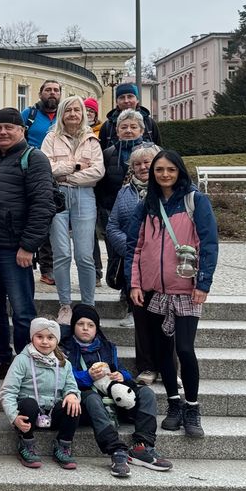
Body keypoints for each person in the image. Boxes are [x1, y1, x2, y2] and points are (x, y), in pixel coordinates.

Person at [127, 150, 219, 439]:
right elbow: (136, 245)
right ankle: (173, 403)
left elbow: (209, 243)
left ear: (179, 171)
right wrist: (135, 283)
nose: (164, 175)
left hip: (186, 288)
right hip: (155, 290)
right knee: (163, 350)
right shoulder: (148, 204)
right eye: (159, 170)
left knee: (184, 349)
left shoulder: (195, 200)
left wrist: (203, 283)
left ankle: (192, 405)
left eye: (170, 169)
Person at [0, 108, 57, 379]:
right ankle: (1, 357)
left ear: (21, 131)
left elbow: (43, 205)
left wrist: (29, 246)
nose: (3, 132)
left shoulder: (34, 158)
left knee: (21, 309)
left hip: (14, 250)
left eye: (9, 128)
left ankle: (26, 360)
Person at [61, 305, 172, 478]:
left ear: (96, 328)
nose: (85, 328)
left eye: (90, 325)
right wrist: (87, 376)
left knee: (147, 393)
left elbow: (124, 372)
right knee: (90, 397)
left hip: (116, 399)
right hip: (88, 405)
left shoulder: (107, 347)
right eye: (80, 324)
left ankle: (142, 446)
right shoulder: (65, 348)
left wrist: (121, 375)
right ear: (73, 326)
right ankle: (116, 450)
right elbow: (63, 377)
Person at [40, 95, 104, 322]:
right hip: (57, 198)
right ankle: (65, 304)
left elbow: (98, 172)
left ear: (83, 114)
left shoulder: (92, 140)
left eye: (77, 110)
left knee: (85, 255)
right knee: (61, 254)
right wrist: (75, 167)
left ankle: (88, 305)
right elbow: (46, 167)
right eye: (68, 110)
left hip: (84, 197)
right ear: (62, 114)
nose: (73, 114)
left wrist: (66, 176)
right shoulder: (50, 138)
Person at [105, 144, 160, 384]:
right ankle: (146, 366)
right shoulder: (125, 192)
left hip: (163, 264)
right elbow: (111, 226)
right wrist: (132, 249)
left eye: (147, 162)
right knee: (141, 316)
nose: (142, 167)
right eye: (137, 164)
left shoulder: (172, 191)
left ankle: (171, 367)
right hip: (134, 264)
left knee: (168, 319)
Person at [0, 317, 80, 470]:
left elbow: (71, 385)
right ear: (32, 338)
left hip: (52, 414)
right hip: (28, 416)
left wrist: (71, 394)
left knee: (74, 403)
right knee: (29, 404)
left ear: (56, 340)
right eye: (39, 337)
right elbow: (8, 391)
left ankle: (63, 445)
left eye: (50, 337)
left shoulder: (64, 363)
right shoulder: (22, 360)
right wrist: (13, 417)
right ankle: (26, 442)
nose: (45, 342)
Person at [97, 108, 153, 316]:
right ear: (117, 130)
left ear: (142, 129)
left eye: (133, 127)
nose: (129, 130)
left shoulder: (154, 152)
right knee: (119, 259)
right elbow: (100, 186)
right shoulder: (108, 153)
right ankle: (126, 294)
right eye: (124, 127)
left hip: (148, 219)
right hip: (115, 214)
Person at [23, 80, 60, 285]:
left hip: (58, 174)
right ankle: (35, 267)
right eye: (48, 90)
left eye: (56, 90)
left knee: (51, 219)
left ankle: (49, 267)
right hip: (31, 172)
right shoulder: (29, 115)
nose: (52, 93)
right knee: (36, 219)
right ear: (40, 93)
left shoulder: (65, 115)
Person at [99, 83, 162, 150]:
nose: (126, 101)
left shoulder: (149, 123)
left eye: (130, 96)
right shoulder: (108, 126)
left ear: (137, 100)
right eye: (122, 97)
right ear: (117, 102)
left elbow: (158, 151)